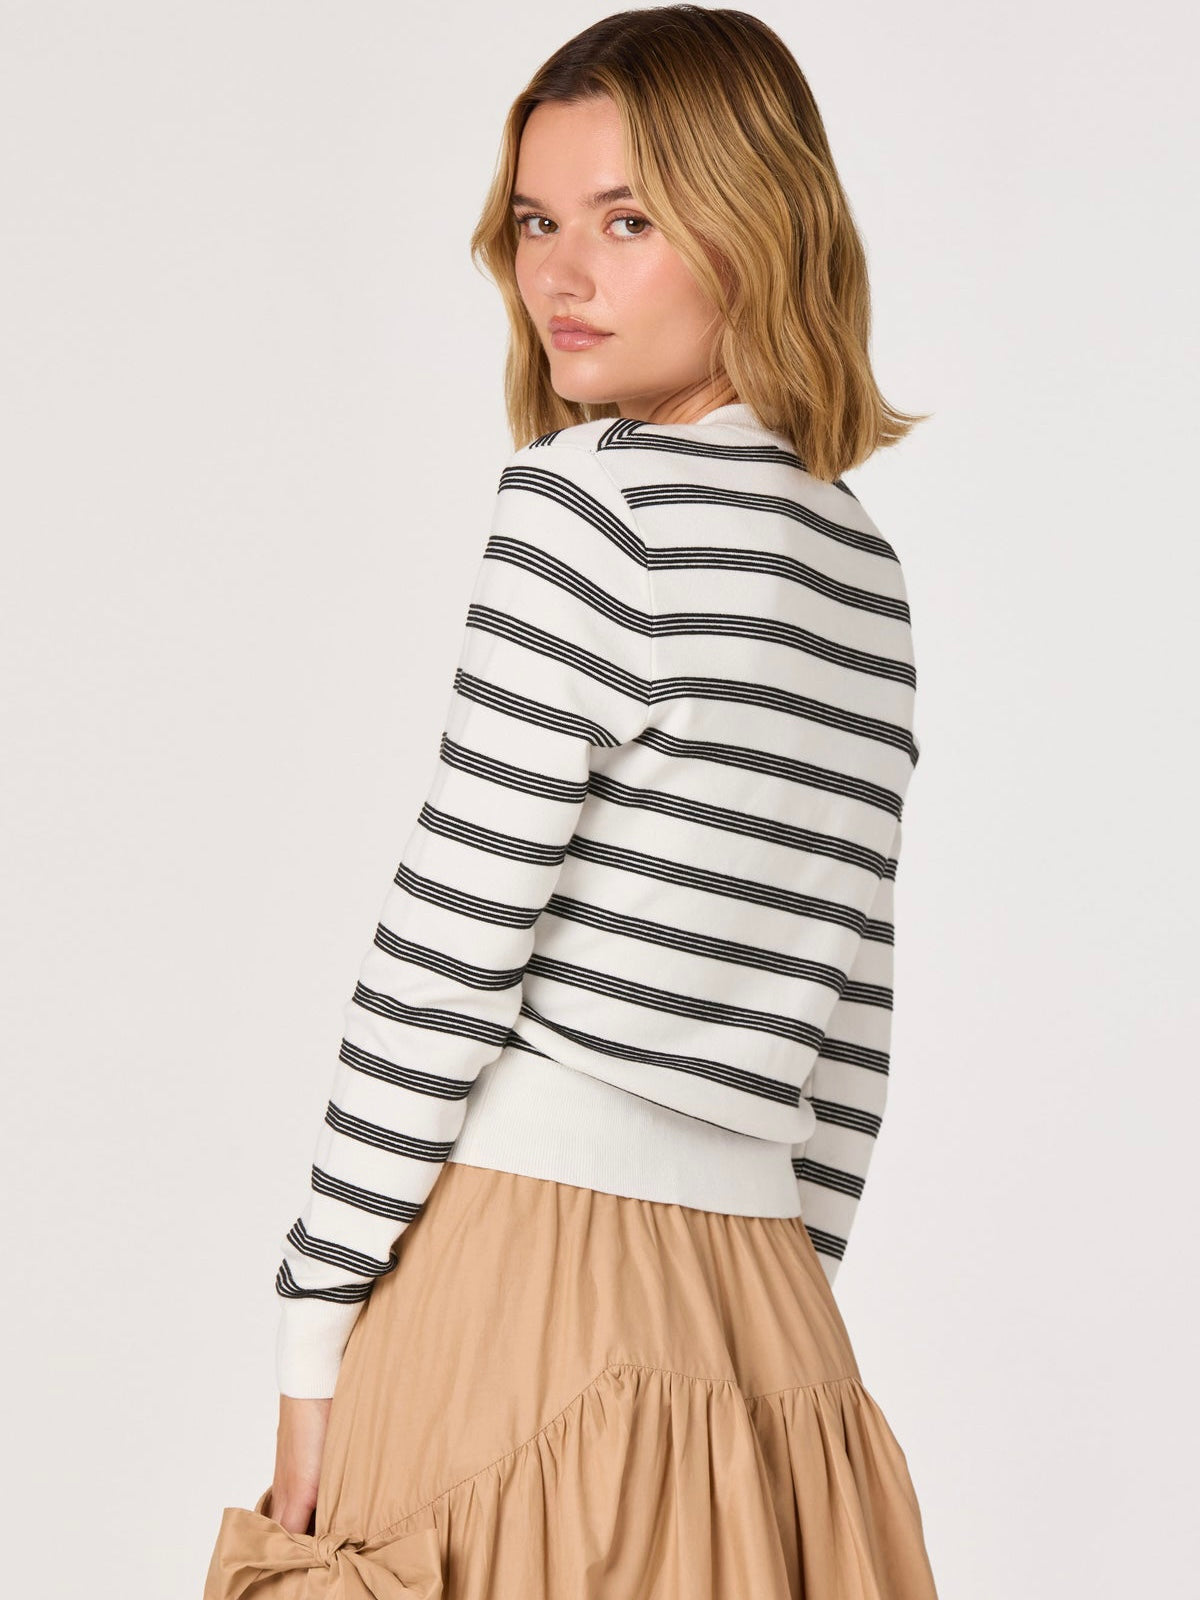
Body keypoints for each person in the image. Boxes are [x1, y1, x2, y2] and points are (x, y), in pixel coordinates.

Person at [203, 7, 940, 1596]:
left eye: (628, 221)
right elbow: (851, 1015)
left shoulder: (582, 511)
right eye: (538, 223)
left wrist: (314, 1319)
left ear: (757, 225)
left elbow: (450, 941)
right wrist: (779, 1304)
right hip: (772, 1319)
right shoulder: (866, 575)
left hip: (526, 1279)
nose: (562, 277)